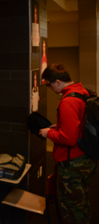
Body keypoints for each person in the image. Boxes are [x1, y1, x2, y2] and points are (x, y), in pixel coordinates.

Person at [39, 64, 97, 224]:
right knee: (82, 202)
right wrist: (58, 127)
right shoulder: (82, 92)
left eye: (49, 85)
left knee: (71, 208)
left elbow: (68, 138)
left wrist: (48, 133)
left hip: (74, 163)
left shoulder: (68, 101)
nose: (50, 88)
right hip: (87, 157)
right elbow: (79, 125)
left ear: (57, 82)